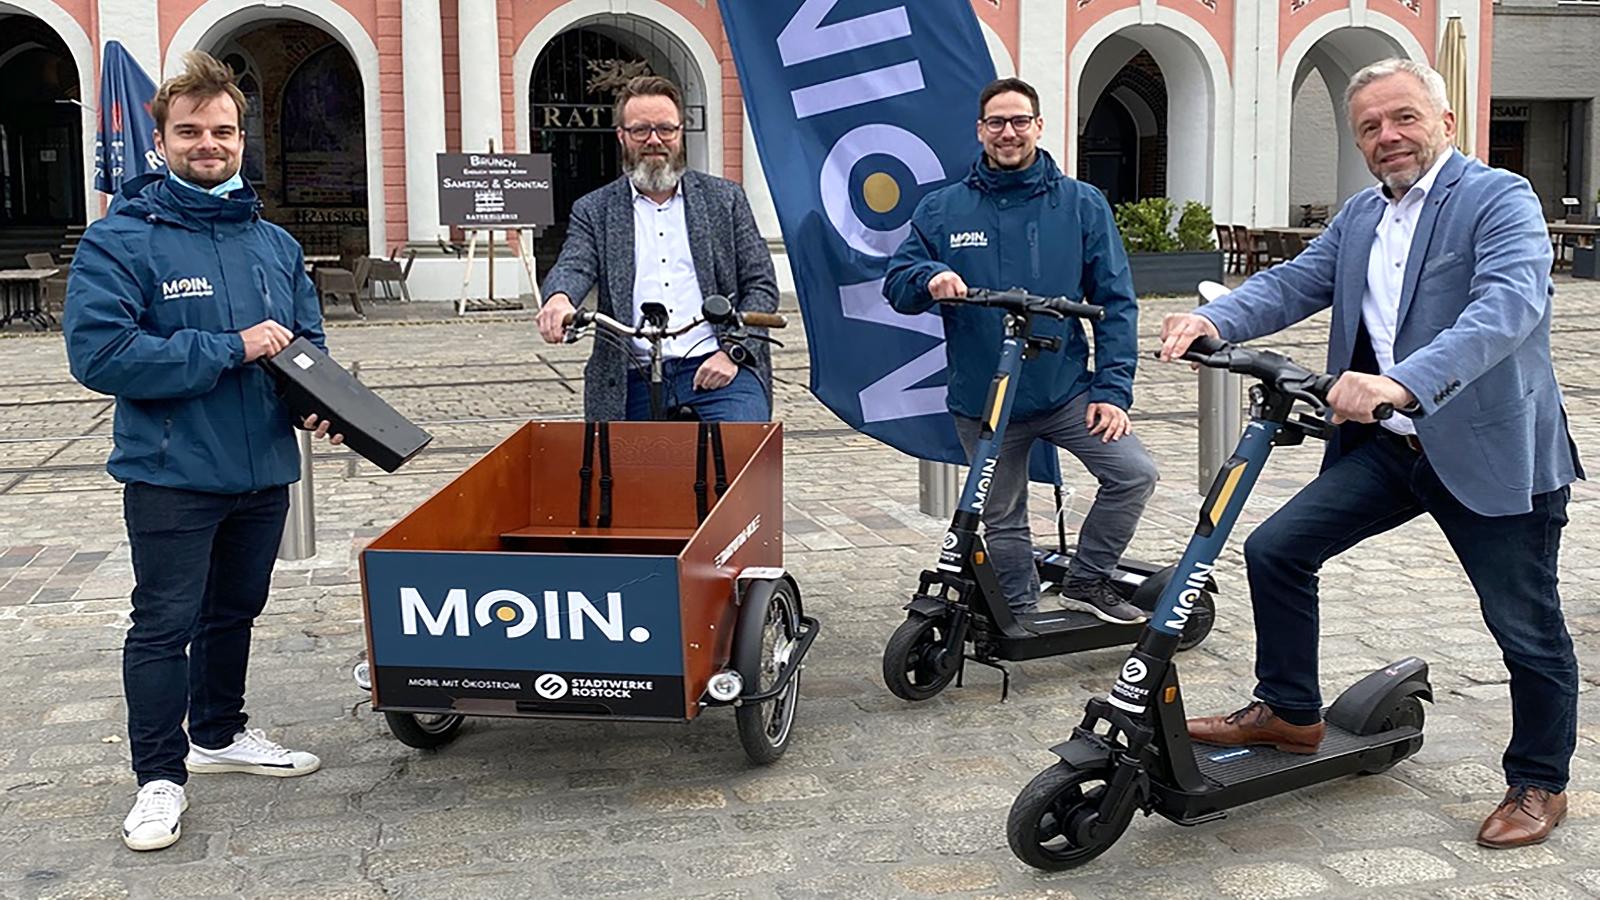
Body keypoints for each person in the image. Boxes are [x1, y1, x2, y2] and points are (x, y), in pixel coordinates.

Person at [1159, 58, 1582, 849]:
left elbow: (1508, 307)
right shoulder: (1362, 215)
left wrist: (1400, 384)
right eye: (1370, 127)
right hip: (1392, 450)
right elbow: (1292, 282)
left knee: (1525, 628)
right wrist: (1212, 322)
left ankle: (1539, 781)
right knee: (1277, 550)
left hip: (1487, 448)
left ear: (1444, 122)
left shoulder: (1498, 198)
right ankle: (1289, 712)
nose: (1388, 137)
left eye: (1404, 118)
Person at [63, 51, 344, 852]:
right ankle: (159, 776)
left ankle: (218, 732)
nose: (208, 144)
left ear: (242, 138)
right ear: (163, 141)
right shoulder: (120, 241)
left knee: (235, 612)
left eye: (222, 130)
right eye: (189, 131)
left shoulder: (274, 244)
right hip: (172, 473)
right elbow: (102, 356)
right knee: (162, 625)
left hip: (262, 469)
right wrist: (230, 347)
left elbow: (306, 346)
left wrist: (319, 404)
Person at [883, 77, 1158, 624]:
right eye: (996, 123)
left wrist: (1112, 391)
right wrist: (930, 275)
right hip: (984, 400)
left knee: (1133, 474)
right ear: (980, 131)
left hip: (1065, 391)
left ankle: (1089, 580)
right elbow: (897, 283)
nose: (1007, 133)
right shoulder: (943, 209)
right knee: (1003, 514)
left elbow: (1116, 302)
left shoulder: (1081, 203)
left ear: (1038, 126)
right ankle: (1019, 609)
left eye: (1018, 121)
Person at [535, 75, 780, 421]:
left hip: (720, 366)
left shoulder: (725, 200)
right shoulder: (594, 209)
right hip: (629, 374)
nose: (654, 140)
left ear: (680, 133)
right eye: (641, 130)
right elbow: (574, 264)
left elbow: (761, 284)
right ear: (622, 135)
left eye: (666, 129)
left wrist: (733, 351)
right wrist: (560, 298)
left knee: (737, 455)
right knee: (621, 469)